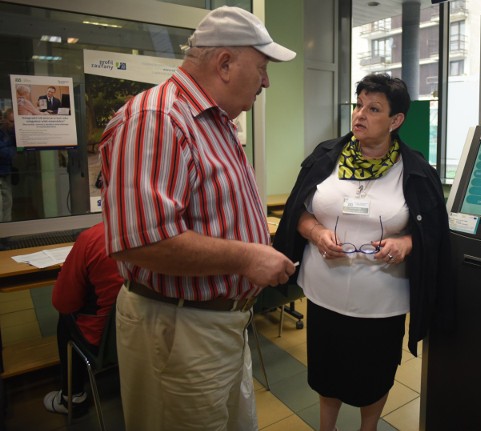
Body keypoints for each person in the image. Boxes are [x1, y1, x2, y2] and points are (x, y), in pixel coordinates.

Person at [98, 6, 296, 431]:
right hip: (179, 329)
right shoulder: (157, 118)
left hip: (218, 323)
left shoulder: (216, 123)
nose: (266, 81)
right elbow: (141, 241)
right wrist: (247, 259)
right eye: (260, 68)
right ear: (224, 63)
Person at [273, 73, 455, 431]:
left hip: (382, 300)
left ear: (396, 120)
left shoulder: (416, 171)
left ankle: (367, 428)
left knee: (374, 375)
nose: (360, 115)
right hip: (325, 293)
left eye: (374, 109)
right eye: (359, 105)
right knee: (326, 371)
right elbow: (298, 213)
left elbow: (433, 232)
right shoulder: (326, 157)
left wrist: (406, 243)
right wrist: (318, 232)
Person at [42, 222, 123, 416]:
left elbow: (62, 302)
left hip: (105, 345)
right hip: (147, 336)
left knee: (66, 315)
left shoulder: (92, 238)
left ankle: (72, 397)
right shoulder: (167, 236)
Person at [0, 108, 16, 222]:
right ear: (4, 120)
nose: (13, 125)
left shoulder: (11, 133)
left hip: (5, 172)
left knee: (7, 203)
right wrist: (14, 148)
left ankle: (7, 236)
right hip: (2, 171)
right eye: (11, 121)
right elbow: (5, 153)